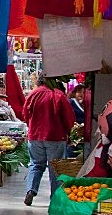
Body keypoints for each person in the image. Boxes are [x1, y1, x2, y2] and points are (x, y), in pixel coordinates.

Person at [23, 75, 75, 206]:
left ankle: (30, 190)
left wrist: (31, 127)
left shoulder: (33, 94)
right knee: (55, 168)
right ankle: (55, 198)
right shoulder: (58, 95)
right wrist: (68, 133)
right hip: (55, 137)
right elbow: (68, 118)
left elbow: (25, 113)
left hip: (35, 136)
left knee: (35, 164)